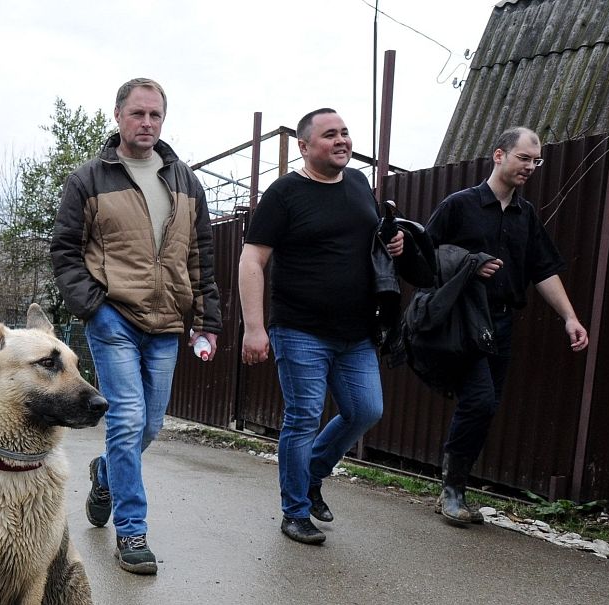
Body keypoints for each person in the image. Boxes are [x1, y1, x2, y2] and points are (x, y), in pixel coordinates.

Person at [52, 77, 221, 575]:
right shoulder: (90, 178)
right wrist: (95, 307)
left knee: (149, 425)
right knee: (126, 419)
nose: (146, 123)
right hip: (115, 317)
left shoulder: (185, 181)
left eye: (155, 116)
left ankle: (104, 474)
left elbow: (201, 257)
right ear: (118, 116)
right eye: (137, 114)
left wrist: (206, 320)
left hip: (168, 322)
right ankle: (132, 530)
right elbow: (65, 251)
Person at [238, 108, 404, 546]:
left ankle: (311, 475)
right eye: (330, 134)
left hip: (357, 332)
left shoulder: (359, 184)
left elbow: (367, 242)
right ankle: (294, 511)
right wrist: (254, 327)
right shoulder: (285, 193)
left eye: (345, 133)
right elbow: (252, 259)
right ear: (305, 145)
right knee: (303, 417)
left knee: (366, 410)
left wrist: (393, 241)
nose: (341, 140)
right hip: (300, 328)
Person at [425, 126, 588, 525]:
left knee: (487, 406)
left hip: (500, 322)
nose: (531, 167)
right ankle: (452, 491)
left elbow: (544, 270)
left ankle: (455, 485)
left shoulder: (525, 215)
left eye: (536, 161)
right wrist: (469, 262)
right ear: (499, 155)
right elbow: (424, 257)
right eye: (524, 158)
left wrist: (569, 317)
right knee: (479, 399)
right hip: (464, 319)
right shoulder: (460, 205)